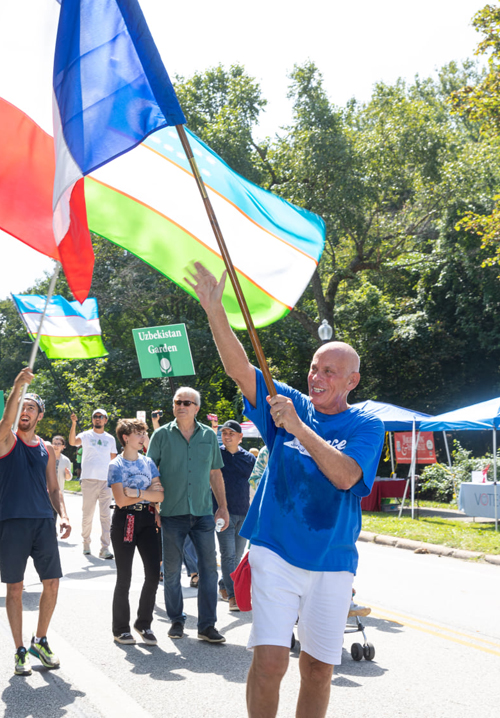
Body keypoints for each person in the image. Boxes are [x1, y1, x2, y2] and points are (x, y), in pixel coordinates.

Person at [187, 263, 385, 718]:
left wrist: (297, 428)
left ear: (352, 381)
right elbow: (240, 369)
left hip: (332, 560)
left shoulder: (365, 423)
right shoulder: (288, 402)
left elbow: (346, 477)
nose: (318, 377)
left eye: (331, 372)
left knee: (317, 667)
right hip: (274, 551)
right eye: (315, 367)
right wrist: (216, 311)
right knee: (271, 660)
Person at [0, 368, 71, 676]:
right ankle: (18, 649)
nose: (25, 411)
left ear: (40, 416)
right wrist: (17, 388)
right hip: (12, 522)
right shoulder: (6, 439)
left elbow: (54, 488)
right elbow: (5, 421)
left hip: (43, 521)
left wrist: (64, 514)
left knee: (52, 583)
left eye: (31, 407)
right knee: (14, 589)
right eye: (22, 406)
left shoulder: (46, 449)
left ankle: (39, 641)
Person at [147, 387, 229, 643]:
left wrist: (223, 507)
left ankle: (207, 626)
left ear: (196, 408)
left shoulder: (208, 435)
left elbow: (215, 473)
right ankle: (176, 620)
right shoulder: (161, 435)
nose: (181, 405)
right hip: (171, 513)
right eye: (177, 402)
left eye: (186, 402)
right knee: (171, 572)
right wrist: (155, 507)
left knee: (209, 571)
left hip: (203, 513)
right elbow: (151, 471)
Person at [107, 418, 164, 645]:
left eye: (144, 433)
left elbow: (160, 496)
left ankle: (143, 624)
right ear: (126, 438)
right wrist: (146, 492)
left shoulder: (148, 462)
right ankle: (120, 628)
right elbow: (121, 500)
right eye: (139, 434)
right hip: (125, 521)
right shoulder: (116, 465)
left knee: (152, 575)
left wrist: (136, 492)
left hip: (148, 519)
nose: (143, 438)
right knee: (125, 577)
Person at [151, 410, 199, 588]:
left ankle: (194, 572)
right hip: (164, 501)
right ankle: (161, 569)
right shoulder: (159, 445)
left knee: (186, 539)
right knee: (164, 538)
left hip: (187, 502)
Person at [214, 420, 255, 611]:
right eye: (224, 433)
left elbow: (256, 485)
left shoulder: (249, 459)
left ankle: (224, 583)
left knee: (236, 558)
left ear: (240, 437)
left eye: (232, 433)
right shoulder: (215, 455)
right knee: (228, 556)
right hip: (222, 513)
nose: (227, 436)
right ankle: (233, 597)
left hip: (245, 513)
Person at [69, 409, 117, 558]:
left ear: (105, 420)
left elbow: (114, 461)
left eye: (100, 417)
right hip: (88, 479)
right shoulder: (85, 435)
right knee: (88, 514)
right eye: (95, 417)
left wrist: (114, 482)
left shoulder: (110, 439)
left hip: (105, 482)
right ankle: (86, 543)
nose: (97, 419)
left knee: (106, 516)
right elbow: (72, 442)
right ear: (92, 420)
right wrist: (73, 424)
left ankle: (105, 548)